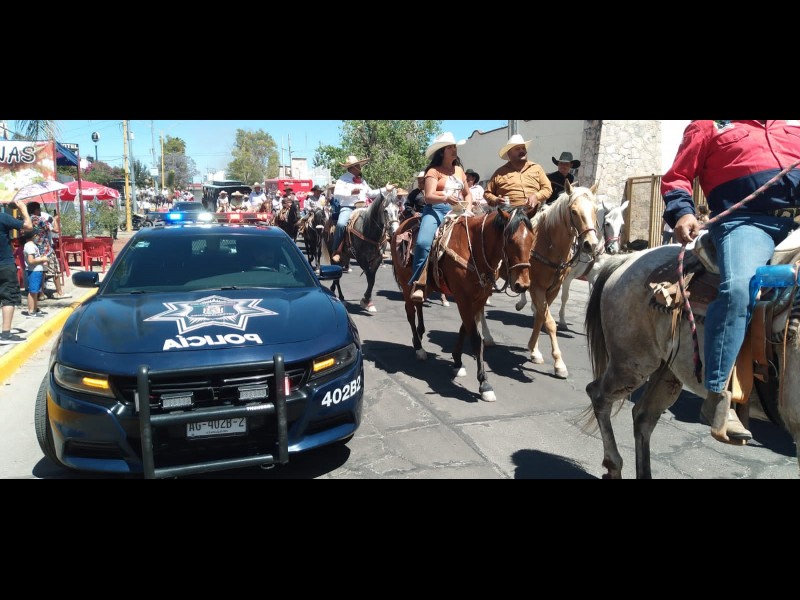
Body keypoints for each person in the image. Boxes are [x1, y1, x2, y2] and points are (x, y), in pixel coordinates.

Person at [661, 119, 800, 444]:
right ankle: (718, 394)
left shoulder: (794, 131)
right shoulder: (710, 126)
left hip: (795, 223)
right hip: (747, 224)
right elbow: (677, 176)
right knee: (740, 288)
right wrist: (683, 212)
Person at [409, 132, 473, 303]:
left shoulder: (459, 171)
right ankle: (419, 283)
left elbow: (467, 193)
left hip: (458, 211)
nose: (454, 150)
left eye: (454, 147)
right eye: (450, 147)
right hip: (435, 211)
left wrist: (468, 207)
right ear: (442, 152)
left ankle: (481, 276)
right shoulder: (433, 171)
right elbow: (429, 196)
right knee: (423, 243)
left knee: (477, 234)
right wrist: (445, 198)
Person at [331, 155, 396, 263]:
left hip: (363, 207)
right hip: (348, 207)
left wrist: (385, 189)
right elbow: (336, 194)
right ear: (352, 167)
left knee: (378, 220)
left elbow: (370, 193)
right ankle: (337, 250)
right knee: (341, 224)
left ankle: (379, 247)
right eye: (357, 165)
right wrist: (350, 192)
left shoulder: (362, 180)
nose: (360, 167)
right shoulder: (342, 180)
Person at [484, 134, 552, 210]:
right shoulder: (500, 173)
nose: (522, 151)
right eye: (517, 149)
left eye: (523, 148)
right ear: (509, 154)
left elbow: (547, 189)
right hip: (509, 213)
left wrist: (536, 196)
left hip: (534, 212)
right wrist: (496, 199)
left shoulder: (537, 168)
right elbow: (487, 193)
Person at [0, 200, 33, 344]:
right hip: (4, 264)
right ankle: (6, 334)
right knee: (8, 298)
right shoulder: (3, 217)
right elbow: (28, 227)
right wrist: (23, 209)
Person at [22, 228, 48, 318]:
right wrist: (42, 259)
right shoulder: (29, 246)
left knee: (36, 291)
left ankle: (35, 308)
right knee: (32, 292)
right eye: (37, 235)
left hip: (37, 270)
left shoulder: (32, 245)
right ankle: (31, 311)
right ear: (34, 236)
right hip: (33, 271)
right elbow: (31, 260)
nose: (38, 237)